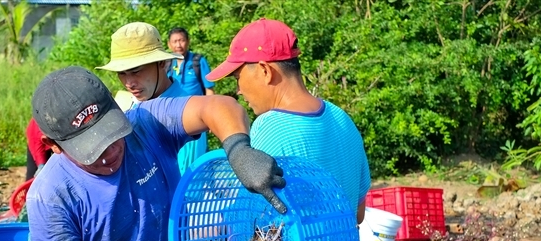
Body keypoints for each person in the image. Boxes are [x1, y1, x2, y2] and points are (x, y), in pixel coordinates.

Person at [26, 65, 286, 241]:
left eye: (110, 134)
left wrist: (238, 149)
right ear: (53, 146)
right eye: (90, 149)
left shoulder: (146, 125)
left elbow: (219, 106)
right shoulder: (51, 194)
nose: (108, 152)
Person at [206, 18, 371, 224]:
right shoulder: (342, 118)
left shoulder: (270, 126)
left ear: (265, 70)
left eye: (237, 77)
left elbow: (254, 221)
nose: (238, 90)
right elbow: (359, 214)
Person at [97, 22, 203, 176]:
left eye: (136, 71)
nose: (129, 83)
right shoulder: (132, 103)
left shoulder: (186, 110)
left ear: (162, 63)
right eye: (121, 73)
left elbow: (186, 179)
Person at [167, 27, 215, 96]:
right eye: (174, 42)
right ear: (169, 44)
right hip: (174, 106)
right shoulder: (166, 63)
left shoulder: (198, 61)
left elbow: (209, 90)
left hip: (197, 105)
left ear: (188, 41)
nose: (178, 45)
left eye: (182, 40)